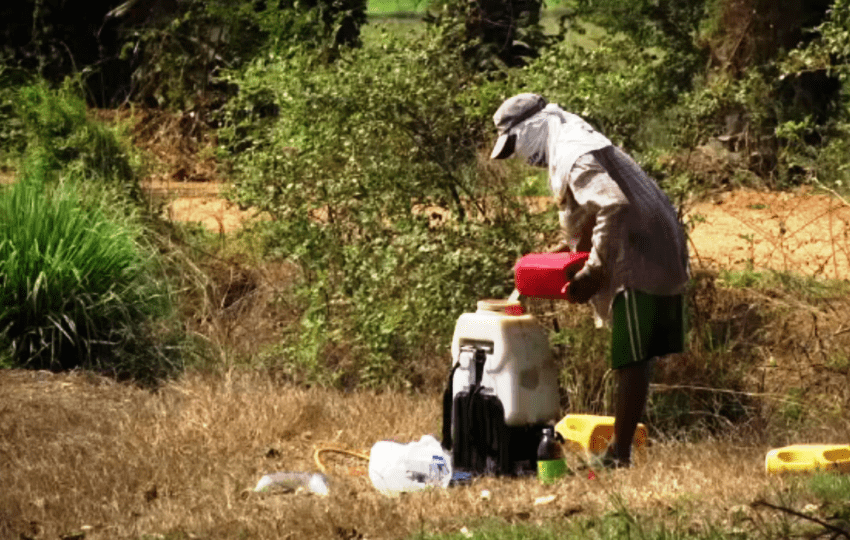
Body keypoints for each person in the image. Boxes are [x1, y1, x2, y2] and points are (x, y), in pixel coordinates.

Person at [490, 93, 690, 468]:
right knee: (636, 354)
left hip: (639, 252)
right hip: (650, 242)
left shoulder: (574, 154)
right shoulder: (574, 140)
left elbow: (613, 206)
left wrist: (595, 270)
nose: (521, 157)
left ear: (533, 127)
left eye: (516, 144)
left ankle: (621, 454)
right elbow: (592, 213)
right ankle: (622, 448)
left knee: (631, 356)